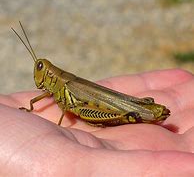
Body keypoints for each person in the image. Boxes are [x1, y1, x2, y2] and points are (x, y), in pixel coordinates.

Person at [0, 69, 194, 176]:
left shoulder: (66, 85)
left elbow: (68, 107)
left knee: (81, 108)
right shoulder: (57, 87)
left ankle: (144, 110)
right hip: (95, 104)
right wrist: (30, 109)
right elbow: (40, 101)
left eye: (41, 68)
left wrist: (58, 125)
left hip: (108, 108)